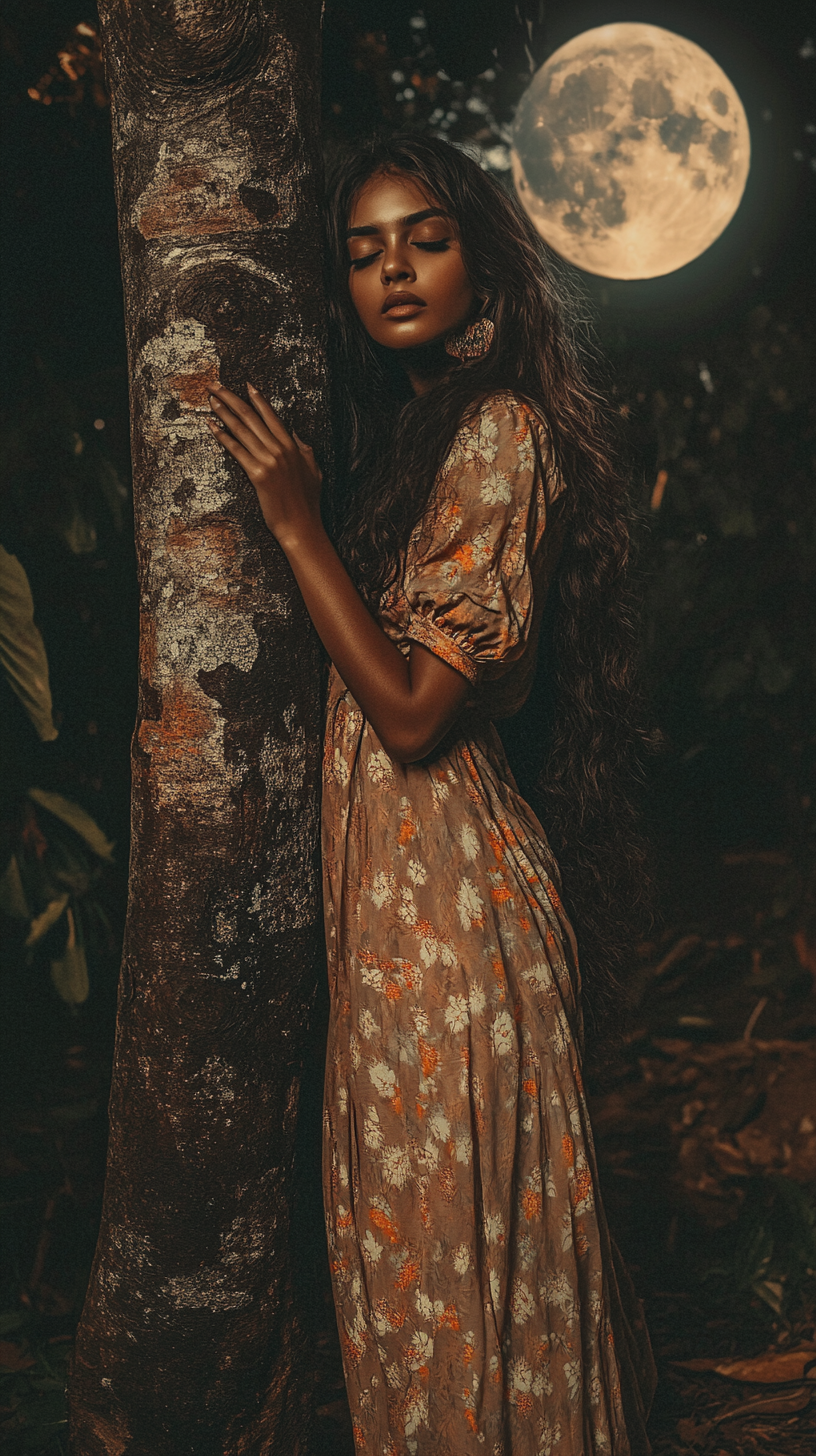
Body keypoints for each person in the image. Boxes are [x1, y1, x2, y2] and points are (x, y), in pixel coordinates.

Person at [207, 134, 655, 1456]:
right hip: (398, 930)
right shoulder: (421, 439)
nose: (392, 267)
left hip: (457, 930)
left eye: (425, 236)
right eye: (362, 250)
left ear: (488, 265)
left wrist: (292, 521)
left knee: (466, 1284)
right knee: (418, 1285)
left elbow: (410, 714)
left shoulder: (506, 434)